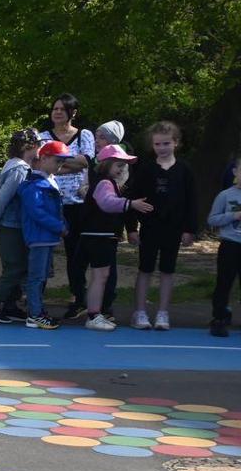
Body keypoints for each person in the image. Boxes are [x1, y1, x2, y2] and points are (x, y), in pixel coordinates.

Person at [126, 121, 197, 331]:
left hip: (174, 228)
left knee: (168, 270)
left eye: (166, 143)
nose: (162, 147)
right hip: (150, 227)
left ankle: (163, 312)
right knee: (145, 268)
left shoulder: (184, 169)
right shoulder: (147, 169)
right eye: (158, 144)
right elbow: (133, 197)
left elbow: (191, 201)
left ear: (176, 143)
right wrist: (131, 228)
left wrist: (189, 229)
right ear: (152, 145)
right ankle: (139, 312)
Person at [76, 144, 148, 331]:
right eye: (118, 164)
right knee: (100, 276)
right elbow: (107, 203)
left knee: (101, 276)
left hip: (101, 236)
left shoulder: (108, 183)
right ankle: (93, 315)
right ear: (106, 164)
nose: (122, 168)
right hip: (98, 236)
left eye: (123, 165)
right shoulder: (105, 183)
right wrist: (131, 204)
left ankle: (95, 313)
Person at [0, 129, 41, 323]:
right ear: (29, 147)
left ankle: (11, 305)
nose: (41, 149)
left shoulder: (17, 166)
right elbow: (1, 199)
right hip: (11, 225)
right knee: (15, 267)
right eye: (39, 145)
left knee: (18, 267)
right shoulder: (19, 169)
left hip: (15, 225)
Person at [19, 140, 71, 330]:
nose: (60, 165)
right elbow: (37, 212)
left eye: (62, 162)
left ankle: (37, 310)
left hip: (47, 237)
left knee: (41, 276)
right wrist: (59, 227)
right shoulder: (34, 185)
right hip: (39, 237)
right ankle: (34, 314)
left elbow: (54, 209)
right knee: (36, 277)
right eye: (57, 161)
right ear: (43, 159)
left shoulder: (48, 181)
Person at [207, 158, 241, 337]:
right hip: (230, 244)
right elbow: (212, 219)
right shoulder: (225, 195)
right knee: (224, 283)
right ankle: (219, 318)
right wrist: (232, 215)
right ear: (235, 172)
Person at [44, 94, 96, 161]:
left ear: (74, 112)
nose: (58, 112)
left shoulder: (84, 135)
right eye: (55, 109)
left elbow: (86, 161)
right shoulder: (42, 137)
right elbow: (39, 165)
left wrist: (54, 161)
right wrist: (75, 163)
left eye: (63, 109)